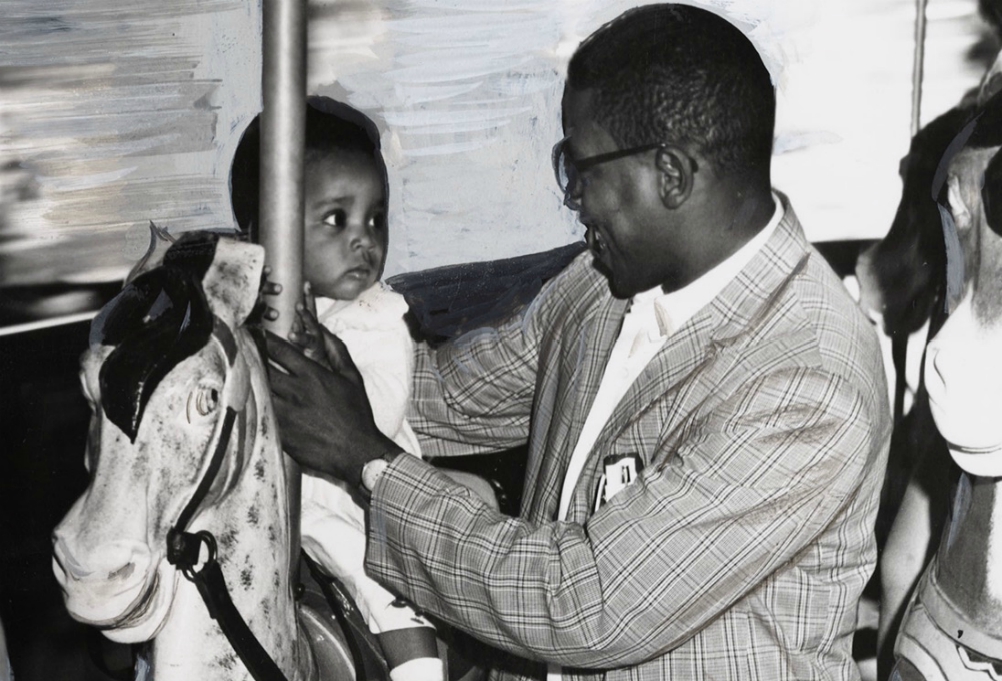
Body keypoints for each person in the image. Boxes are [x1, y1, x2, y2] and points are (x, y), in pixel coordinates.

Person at [266, 5, 892, 680]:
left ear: (672, 176)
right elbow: (431, 396)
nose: (574, 200)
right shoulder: (600, 287)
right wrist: (285, 329)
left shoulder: (806, 380)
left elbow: (582, 605)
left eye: (580, 166)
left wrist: (368, 460)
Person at [231, 96, 444, 681]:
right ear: (268, 234)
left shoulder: (376, 316)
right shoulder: (263, 318)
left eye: (376, 218)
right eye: (336, 219)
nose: (364, 240)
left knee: (382, 581)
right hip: (289, 503)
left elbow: (372, 411)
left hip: (358, 500)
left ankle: (419, 668)